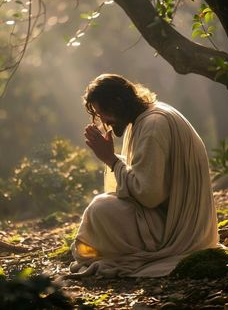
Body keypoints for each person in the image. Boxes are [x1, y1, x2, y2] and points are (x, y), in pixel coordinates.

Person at [70, 74, 219, 277]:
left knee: (99, 208)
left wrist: (111, 160)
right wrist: (112, 158)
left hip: (175, 233)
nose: (103, 120)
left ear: (119, 102)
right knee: (102, 207)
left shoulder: (152, 125)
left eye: (103, 112)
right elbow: (144, 174)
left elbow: (149, 195)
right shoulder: (150, 116)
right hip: (175, 222)